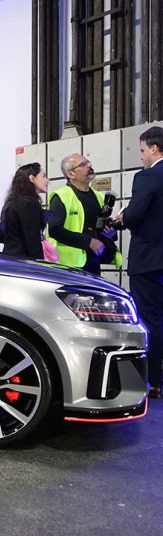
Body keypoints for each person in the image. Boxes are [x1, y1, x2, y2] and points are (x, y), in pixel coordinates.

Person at [117, 126, 163, 398]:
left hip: (149, 261)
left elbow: (134, 215)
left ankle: (154, 381)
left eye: (143, 150)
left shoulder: (147, 176)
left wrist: (122, 218)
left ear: (154, 149)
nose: (142, 156)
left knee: (149, 320)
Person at [47, 154, 122, 275]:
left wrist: (111, 233)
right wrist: (89, 242)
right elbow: (54, 229)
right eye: (83, 164)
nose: (89, 165)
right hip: (70, 266)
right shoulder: (62, 196)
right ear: (71, 174)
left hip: (94, 262)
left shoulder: (98, 196)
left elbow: (98, 226)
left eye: (88, 162)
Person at [0, 162, 50, 259]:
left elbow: (1, 237)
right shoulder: (30, 204)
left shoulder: (10, 202)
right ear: (32, 178)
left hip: (9, 258)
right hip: (24, 261)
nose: (48, 180)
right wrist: (40, 264)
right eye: (44, 176)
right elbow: (32, 241)